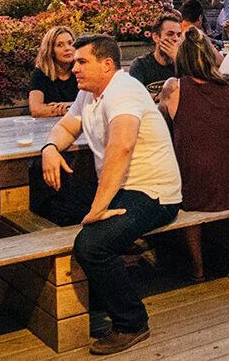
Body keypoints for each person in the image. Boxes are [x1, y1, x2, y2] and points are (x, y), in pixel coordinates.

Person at [41, 35, 182, 355]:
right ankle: (92, 302)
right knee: (55, 204)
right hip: (122, 186)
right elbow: (66, 128)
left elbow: (122, 146)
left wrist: (97, 208)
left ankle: (131, 322)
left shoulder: (124, 90)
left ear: (107, 65)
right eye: (73, 61)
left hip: (154, 192)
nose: (73, 66)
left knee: (91, 244)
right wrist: (50, 147)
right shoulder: (89, 94)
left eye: (81, 62)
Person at [158, 28, 229, 281]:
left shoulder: (174, 87)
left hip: (199, 189)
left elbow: (159, 117)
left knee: (185, 180)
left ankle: (197, 267)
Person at [29, 26, 79, 117]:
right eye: (60, 45)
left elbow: (93, 103)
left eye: (70, 43)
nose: (67, 48)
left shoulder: (81, 70)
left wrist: (69, 106)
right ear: (51, 50)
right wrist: (70, 108)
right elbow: (36, 109)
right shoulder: (40, 74)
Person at [128, 12, 182, 93]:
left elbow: (191, 93)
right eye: (170, 34)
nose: (176, 39)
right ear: (156, 37)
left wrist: (176, 60)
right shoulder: (140, 65)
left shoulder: (183, 64)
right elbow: (136, 97)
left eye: (178, 35)